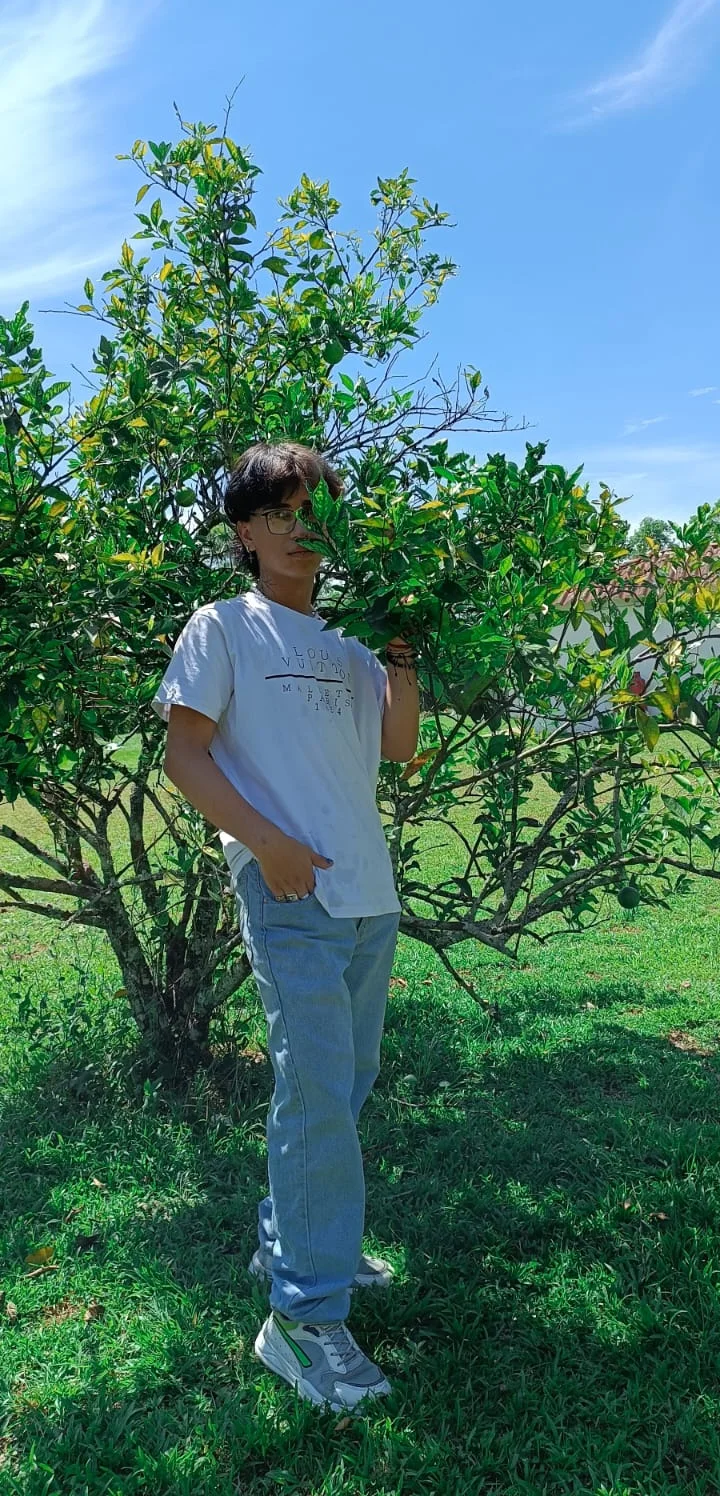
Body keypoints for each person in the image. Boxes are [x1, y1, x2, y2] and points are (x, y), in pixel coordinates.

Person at [150, 439, 419, 1415]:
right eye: (282, 512)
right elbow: (185, 754)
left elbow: (399, 745)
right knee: (315, 1099)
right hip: (290, 892)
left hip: (367, 895)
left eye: (318, 513)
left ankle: (299, 1242)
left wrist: (402, 652)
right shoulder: (224, 626)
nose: (303, 529)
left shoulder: (349, 646)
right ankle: (303, 1319)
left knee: (342, 1086)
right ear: (245, 531)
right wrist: (266, 845)